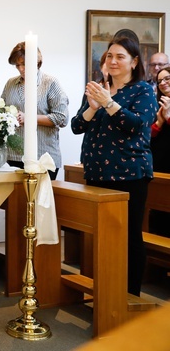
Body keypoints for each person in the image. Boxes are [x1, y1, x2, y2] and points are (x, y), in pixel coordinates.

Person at [71, 36, 157, 296]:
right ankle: (108, 291)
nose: (113, 61)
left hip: (129, 174)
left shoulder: (143, 90)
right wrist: (93, 106)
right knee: (104, 237)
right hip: (97, 173)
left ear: (134, 62)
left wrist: (108, 103)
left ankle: (129, 296)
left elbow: (135, 125)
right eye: (110, 56)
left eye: (120, 56)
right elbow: (77, 126)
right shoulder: (99, 88)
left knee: (129, 236)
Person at [1, 41, 69, 180]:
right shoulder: (10, 84)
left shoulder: (50, 83)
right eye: (17, 65)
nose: (21, 69)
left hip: (43, 156)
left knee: (40, 200)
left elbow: (62, 118)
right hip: (14, 155)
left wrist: (29, 118)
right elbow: (2, 111)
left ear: (36, 62)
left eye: (24, 64)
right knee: (15, 201)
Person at [148, 65, 170, 236]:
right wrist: (160, 123)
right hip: (159, 163)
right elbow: (148, 137)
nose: (163, 83)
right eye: (159, 80)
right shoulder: (156, 105)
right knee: (158, 214)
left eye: (167, 79)